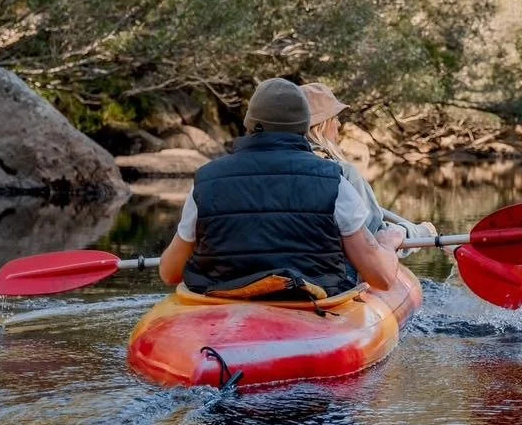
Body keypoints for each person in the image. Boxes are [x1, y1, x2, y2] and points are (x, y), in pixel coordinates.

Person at [158, 78, 406, 298]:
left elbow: (169, 272)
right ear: (304, 126)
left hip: (223, 302)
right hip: (309, 302)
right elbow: (381, 279)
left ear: (249, 123)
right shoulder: (334, 181)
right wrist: (386, 243)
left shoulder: (205, 182)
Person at [300, 82, 436, 252]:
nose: (339, 125)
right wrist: (421, 232)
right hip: (335, 272)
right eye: (335, 118)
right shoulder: (340, 173)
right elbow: (376, 238)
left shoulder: (271, 169)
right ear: (322, 125)